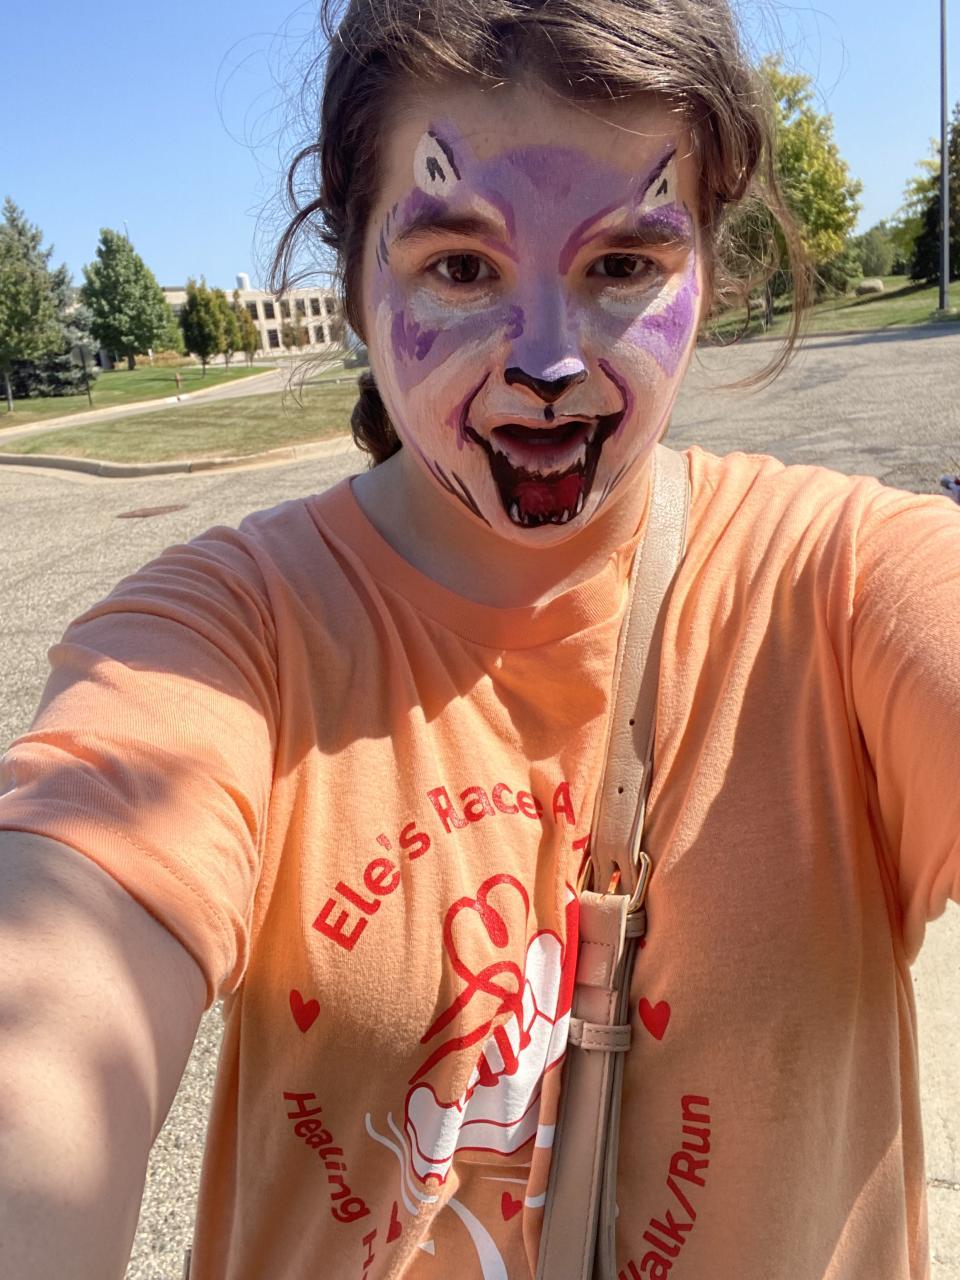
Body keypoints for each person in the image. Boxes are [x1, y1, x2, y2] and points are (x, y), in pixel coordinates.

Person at [0, 1, 957, 1277]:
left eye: (624, 264)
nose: (548, 361)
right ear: (356, 277)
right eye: (459, 267)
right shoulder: (225, 640)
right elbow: (49, 1014)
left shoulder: (841, 585)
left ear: (708, 273)